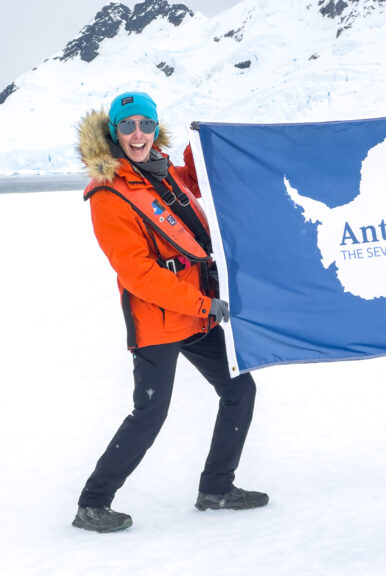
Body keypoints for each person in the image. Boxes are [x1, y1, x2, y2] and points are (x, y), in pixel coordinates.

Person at [73, 91, 268, 533]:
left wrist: (205, 143)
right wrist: (204, 304)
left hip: (196, 317)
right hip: (159, 321)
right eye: (127, 126)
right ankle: (92, 502)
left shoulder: (162, 173)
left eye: (145, 124)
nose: (137, 133)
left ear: (154, 129)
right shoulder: (110, 194)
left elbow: (195, 184)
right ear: (114, 133)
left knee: (240, 390)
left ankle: (216, 488)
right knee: (150, 414)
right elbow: (138, 273)